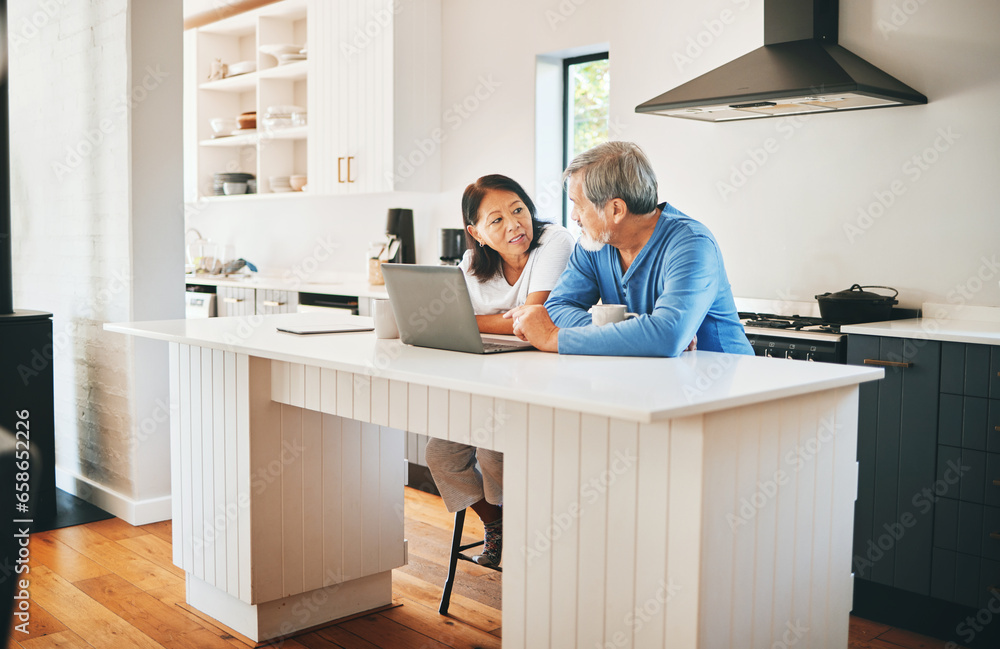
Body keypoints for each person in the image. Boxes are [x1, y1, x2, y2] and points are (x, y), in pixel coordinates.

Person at [424, 174, 575, 567]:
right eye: (496, 220)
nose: (514, 225)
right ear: (476, 231)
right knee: (440, 454)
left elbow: (533, 319)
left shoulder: (554, 241)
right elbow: (450, 316)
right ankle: (499, 525)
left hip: (541, 376)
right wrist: (487, 320)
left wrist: (473, 320)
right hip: (487, 374)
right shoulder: (474, 262)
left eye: (519, 210)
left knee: (494, 454)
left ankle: (537, 540)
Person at [505, 141, 754, 358]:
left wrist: (553, 338)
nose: (574, 217)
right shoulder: (594, 243)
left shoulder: (692, 244)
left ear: (616, 210)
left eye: (579, 206)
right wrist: (640, 330)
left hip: (727, 388)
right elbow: (557, 309)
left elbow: (667, 338)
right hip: (660, 381)